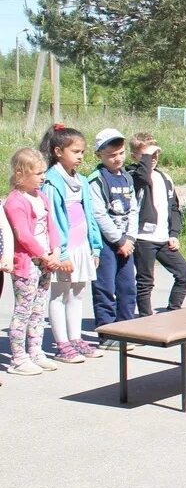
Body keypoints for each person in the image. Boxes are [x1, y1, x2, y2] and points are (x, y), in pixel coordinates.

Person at [41, 124, 104, 362]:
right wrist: (62, 253)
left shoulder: (83, 180)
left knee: (77, 293)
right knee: (59, 293)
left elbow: (91, 215)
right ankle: (62, 344)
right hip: (63, 250)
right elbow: (52, 221)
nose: (80, 157)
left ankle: (76, 338)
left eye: (82, 152)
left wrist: (95, 246)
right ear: (58, 151)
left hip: (82, 247)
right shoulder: (51, 181)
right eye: (76, 152)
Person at [5, 148, 62, 375]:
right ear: (21, 174)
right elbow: (23, 236)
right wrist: (43, 255)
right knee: (24, 310)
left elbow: (52, 226)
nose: (42, 177)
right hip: (27, 264)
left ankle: (35, 351)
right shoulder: (15, 201)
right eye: (37, 173)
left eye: (43, 172)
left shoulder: (42, 197)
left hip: (46, 261)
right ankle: (18, 359)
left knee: (39, 310)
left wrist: (56, 252)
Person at [127, 133, 186, 315]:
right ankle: (146, 318)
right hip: (143, 238)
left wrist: (174, 233)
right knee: (145, 281)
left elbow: (174, 208)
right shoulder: (132, 174)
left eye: (155, 155)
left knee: (184, 274)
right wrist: (146, 157)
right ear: (135, 157)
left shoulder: (164, 178)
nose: (152, 159)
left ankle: (173, 311)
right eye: (146, 155)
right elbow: (143, 179)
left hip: (163, 237)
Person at [87, 128, 139, 346]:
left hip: (126, 242)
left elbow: (134, 208)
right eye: (111, 155)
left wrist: (130, 239)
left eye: (121, 153)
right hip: (107, 244)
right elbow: (98, 213)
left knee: (127, 287)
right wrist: (118, 240)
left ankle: (126, 330)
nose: (117, 158)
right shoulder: (96, 180)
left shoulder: (127, 177)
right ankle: (107, 334)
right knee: (105, 288)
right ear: (99, 154)